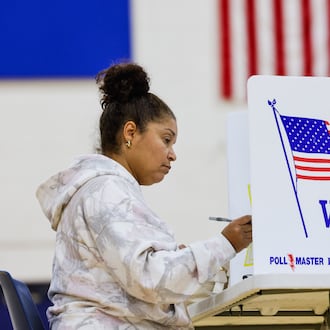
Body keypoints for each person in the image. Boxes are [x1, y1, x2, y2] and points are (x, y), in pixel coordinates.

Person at [36, 62, 252, 329]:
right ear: (130, 133)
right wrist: (226, 243)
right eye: (166, 139)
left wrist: (178, 258)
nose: (173, 154)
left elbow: (137, 278)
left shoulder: (103, 190)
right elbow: (151, 280)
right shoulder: (107, 191)